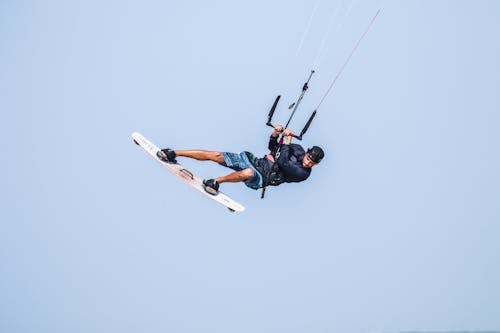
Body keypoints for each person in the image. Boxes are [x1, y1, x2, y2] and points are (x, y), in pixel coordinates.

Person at [157, 124, 324, 195]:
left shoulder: (303, 173)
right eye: (309, 158)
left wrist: (286, 140)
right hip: (255, 161)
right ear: (307, 153)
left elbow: (283, 163)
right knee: (216, 155)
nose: (308, 163)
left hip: (261, 178)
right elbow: (273, 148)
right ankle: (174, 153)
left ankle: (215, 182)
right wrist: (276, 133)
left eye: (312, 163)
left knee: (248, 172)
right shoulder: (298, 150)